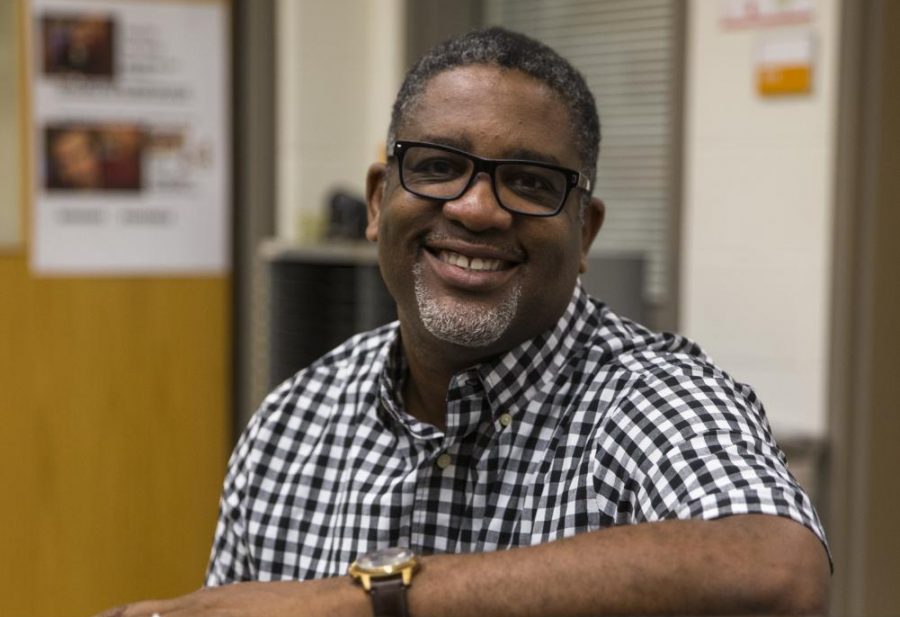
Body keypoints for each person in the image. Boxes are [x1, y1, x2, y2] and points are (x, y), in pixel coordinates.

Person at [96, 27, 830, 617]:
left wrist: (367, 597)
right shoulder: (292, 421)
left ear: (585, 234)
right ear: (380, 200)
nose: (478, 208)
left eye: (530, 181)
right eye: (440, 166)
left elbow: (775, 570)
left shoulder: (653, 399)